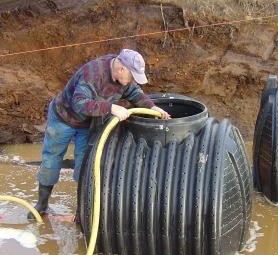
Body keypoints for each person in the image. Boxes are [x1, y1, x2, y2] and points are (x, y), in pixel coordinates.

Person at [28, 48, 171, 218]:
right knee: (52, 160)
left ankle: (81, 213)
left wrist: (152, 107)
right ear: (121, 69)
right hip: (63, 117)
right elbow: (79, 104)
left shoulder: (123, 78)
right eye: (132, 76)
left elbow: (134, 92)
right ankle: (41, 206)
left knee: (85, 165)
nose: (132, 81)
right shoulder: (93, 74)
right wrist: (111, 107)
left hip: (88, 123)